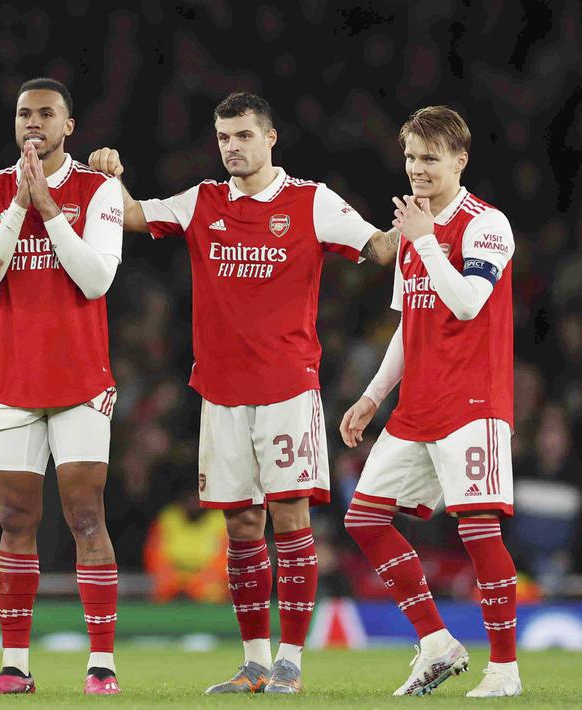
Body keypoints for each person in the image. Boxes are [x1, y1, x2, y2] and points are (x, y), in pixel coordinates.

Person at [89, 91, 396, 694]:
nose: (232, 147)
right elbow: (129, 215)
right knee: (242, 525)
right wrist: (110, 178)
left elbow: (379, 248)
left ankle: (291, 663)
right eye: (224, 137)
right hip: (221, 394)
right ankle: (254, 662)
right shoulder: (202, 201)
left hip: (287, 388)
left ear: (270, 138)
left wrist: (418, 226)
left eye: (244, 136)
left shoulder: (310, 202)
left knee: (290, 517)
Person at [339, 105, 520, 697]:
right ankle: (437, 644)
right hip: (416, 406)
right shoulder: (416, 231)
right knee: (364, 518)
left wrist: (427, 240)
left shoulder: (486, 223)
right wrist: (371, 398)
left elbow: (467, 303)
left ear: (460, 160)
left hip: (473, 403)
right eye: (411, 156)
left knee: (479, 531)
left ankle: (504, 671)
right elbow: (406, 327)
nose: (417, 168)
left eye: (430, 158)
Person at [0, 78, 123, 695]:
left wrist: (50, 211)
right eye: (25, 113)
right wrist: (18, 210)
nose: (34, 122)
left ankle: (102, 664)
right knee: (13, 518)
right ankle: (14, 667)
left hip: (80, 380)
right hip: (10, 380)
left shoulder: (99, 188)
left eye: (47, 114)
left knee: (86, 515)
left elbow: (95, 280)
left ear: (69, 127)